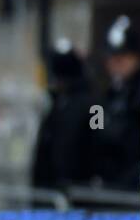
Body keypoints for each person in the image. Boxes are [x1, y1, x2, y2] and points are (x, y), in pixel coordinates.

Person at [32, 39, 96, 192]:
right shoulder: (55, 106)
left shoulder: (93, 106)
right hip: (51, 189)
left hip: (78, 189)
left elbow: (97, 141)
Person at [94, 15, 140, 191]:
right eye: (112, 59)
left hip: (133, 186)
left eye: (122, 58)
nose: (116, 65)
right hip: (109, 184)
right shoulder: (107, 94)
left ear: (136, 58)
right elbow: (96, 129)